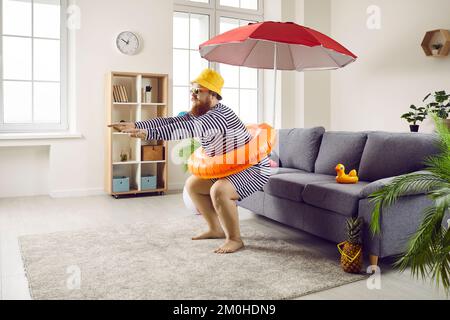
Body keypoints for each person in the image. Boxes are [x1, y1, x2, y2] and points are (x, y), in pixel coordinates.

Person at [108, 68, 270, 254]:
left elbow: (184, 129)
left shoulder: (219, 116)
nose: (193, 94)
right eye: (192, 90)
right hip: (231, 168)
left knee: (219, 190)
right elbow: (173, 122)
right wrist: (136, 125)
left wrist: (148, 134)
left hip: (253, 168)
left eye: (198, 90)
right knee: (193, 185)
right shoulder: (201, 112)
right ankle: (215, 229)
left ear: (213, 94)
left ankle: (235, 239)